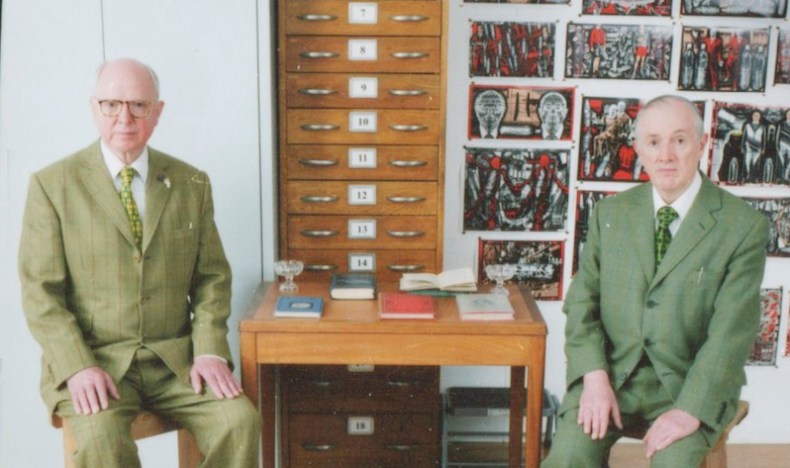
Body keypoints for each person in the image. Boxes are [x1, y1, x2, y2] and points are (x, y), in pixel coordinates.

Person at [18, 58, 261, 467]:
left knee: (240, 423)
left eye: (138, 105)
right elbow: (41, 294)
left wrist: (209, 352)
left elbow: (212, 279)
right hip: (97, 364)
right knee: (100, 442)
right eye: (112, 104)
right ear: (94, 108)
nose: (124, 117)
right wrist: (77, 366)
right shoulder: (51, 185)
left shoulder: (191, 182)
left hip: (176, 363)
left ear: (158, 111)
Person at [542, 95, 768, 467]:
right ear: (639, 150)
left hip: (687, 387)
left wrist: (691, 409)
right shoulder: (610, 214)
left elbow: (732, 333)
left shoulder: (742, 227)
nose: (665, 155)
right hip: (611, 377)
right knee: (567, 458)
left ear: (703, 143)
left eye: (679, 140)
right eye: (653, 142)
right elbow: (582, 303)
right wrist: (594, 377)